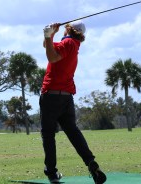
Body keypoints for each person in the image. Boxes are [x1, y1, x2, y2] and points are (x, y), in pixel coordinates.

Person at [40, 21, 107, 184]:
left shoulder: (68, 42)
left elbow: (52, 57)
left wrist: (48, 36)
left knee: (48, 135)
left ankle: (52, 173)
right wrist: (51, 35)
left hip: (52, 95)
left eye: (65, 28)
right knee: (73, 132)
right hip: (66, 97)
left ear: (70, 29)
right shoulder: (73, 44)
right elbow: (46, 46)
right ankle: (90, 162)